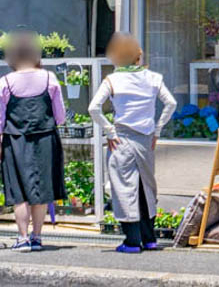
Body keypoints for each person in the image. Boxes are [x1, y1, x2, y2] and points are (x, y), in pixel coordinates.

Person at [88, 32, 177, 253]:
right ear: (138, 57)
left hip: (121, 139)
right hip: (146, 140)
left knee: (124, 187)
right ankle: (149, 238)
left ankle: (131, 241)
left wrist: (109, 131)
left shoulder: (113, 80)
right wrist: (157, 129)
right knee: (146, 186)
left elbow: (93, 108)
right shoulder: (154, 78)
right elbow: (171, 103)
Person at [0, 30, 66, 252]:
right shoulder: (50, 78)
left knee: (19, 192)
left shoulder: (5, 82)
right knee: (42, 190)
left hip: (14, 140)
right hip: (46, 137)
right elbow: (61, 116)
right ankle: (37, 237)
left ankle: (22, 238)